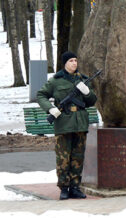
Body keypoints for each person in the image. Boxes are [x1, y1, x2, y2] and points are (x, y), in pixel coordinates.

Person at [37, 52, 97, 200]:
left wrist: (87, 92)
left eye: (76, 60)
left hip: (80, 123)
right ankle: (64, 188)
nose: (74, 63)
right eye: (71, 61)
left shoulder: (82, 80)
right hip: (63, 123)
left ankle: (75, 187)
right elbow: (41, 95)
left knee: (78, 157)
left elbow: (92, 101)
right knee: (63, 158)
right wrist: (50, 109)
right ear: (65, 63)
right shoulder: (56, 81)